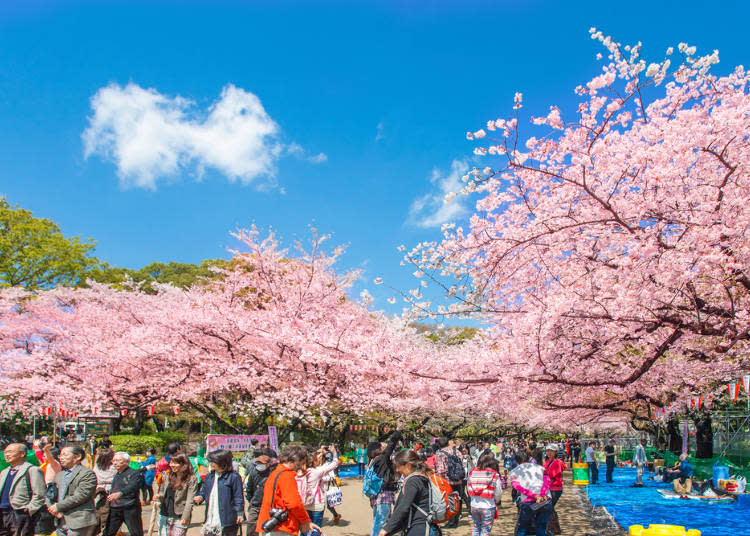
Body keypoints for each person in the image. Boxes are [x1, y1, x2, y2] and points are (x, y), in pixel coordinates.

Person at [255, 445, 314, 536]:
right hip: (282, 526)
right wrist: (305, 520)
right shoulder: (286, 475)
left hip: (270, 523)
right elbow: (294, 504)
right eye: (301, 463)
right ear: (296, 460)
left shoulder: (275, 473)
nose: (301, 466)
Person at [48, 445, 98, 536]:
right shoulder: (60, 475)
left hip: (79, 519)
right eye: (60, 455)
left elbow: (81, 495)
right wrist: (53, 508)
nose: (61, 458)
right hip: (60, 519)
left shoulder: (87, 473)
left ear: (77, 457)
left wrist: (58, 506)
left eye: (65, 455)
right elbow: (50, 493)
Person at [378, 450, 430, 536]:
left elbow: (403, 507)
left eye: (398, 466)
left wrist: (386, 529)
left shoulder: (413, 481)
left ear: (408, 465)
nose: (397, 470)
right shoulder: (422, 477)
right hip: (423, 525)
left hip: (418, 528)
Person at [0, 443, 46, 536]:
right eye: (5, 452)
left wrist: (29, 510)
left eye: (10, 452)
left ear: (22, 454)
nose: (6, 455)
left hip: (19, 512)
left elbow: (40, 494)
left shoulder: (32, 470)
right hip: (2, 512)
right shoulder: (4, 472)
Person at [195, 450, 244, 536]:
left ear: (223, 462)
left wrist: (240, 513)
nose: (211, 464)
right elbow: (204, 492)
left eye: (213, 461)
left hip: (227, 518)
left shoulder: (233, 476)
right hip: (210, 518)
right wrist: (200, 497)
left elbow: (238, 496)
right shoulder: (210, 476)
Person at [366, 428, 402, 536]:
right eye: (382, 446)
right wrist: (397, 431)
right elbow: (391, 445)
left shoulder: (372, 461)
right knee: (380, 523)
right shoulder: (381, 459)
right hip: (383, 495)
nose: (384, 445)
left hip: (376, 495)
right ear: (378, 450)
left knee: (381, 521)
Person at [153, 454, 197, 536]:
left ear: (183, 464)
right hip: (164, 513)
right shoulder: (167, 475)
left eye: (175, 463)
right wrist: (159, 496)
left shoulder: (191, 479)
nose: (172, 465)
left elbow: (190, 500)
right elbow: (162, 491)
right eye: (171, 462)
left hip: (179, 515)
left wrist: (185, 516)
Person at [510, 451, 552, 536]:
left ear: (517, 461)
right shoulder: (541, 468)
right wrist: (542, 495)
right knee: (541, 527)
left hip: (528, 502)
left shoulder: (514, 471)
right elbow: (547, 482)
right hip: (545, 500)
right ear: (529, 458)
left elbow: (517, 487)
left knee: (522, 528)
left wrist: (535, 496)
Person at [301, 446, 339, 536]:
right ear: (314, 461)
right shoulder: (317, 471)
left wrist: (320, 453)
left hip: (303, 504)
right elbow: (335, 464)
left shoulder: (300, 471)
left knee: (304, 529)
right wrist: (334, 452)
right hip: (316, 504)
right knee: (316, 529)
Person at [104, 452, 144, 536]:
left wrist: (120, 493)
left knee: (136, 532)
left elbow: (133, 486)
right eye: (114, 460)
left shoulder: (134, 473)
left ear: (127, 462)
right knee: (108, 532)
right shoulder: (117, 474)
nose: (115, 463)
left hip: (130, 507)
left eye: (118, 460)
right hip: (115, 507)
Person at [466, 452, 502, 536]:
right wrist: (497, 500)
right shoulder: (494, 474)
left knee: (476, 527)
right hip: (488, 506)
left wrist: (473, 498)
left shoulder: (472, 473)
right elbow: (498, 491)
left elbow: (469, 488)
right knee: (485, 530)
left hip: (474, 505)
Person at [435, 437, 463, 529]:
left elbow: (441, 470)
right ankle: (456, 521)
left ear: (439, 445)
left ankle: (451, 522)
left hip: (448, 481)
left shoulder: (440, 454)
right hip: (458, 480)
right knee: (457, 500)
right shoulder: (457, 452)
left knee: (450, 501)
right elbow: (461, 464)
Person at [243, 454, 272, 536]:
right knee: (251, 526)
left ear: (268, 464)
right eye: (258, 463)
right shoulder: (253, 473)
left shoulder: (272, 474)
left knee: (266, 528)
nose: (260, 465)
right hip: (255, 505)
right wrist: (251, 500)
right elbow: (249, 488)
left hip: (268, 506)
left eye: (262, 463)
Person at [92, 449, 116, 535]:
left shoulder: (97, 466)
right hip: (110, 491)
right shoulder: (113, 467)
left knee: (99, 510)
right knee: (108, 512)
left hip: (98, 490)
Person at [542, 444, 566, 510]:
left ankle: (552, 519)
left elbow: (552, 477)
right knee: (548, 508)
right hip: (548, 488)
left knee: (548, 508)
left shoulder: (558, 462)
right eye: (548, 451)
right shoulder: (546, 462)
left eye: (551, 451)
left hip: (554, 489)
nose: (549, 453)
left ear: (555, 452)